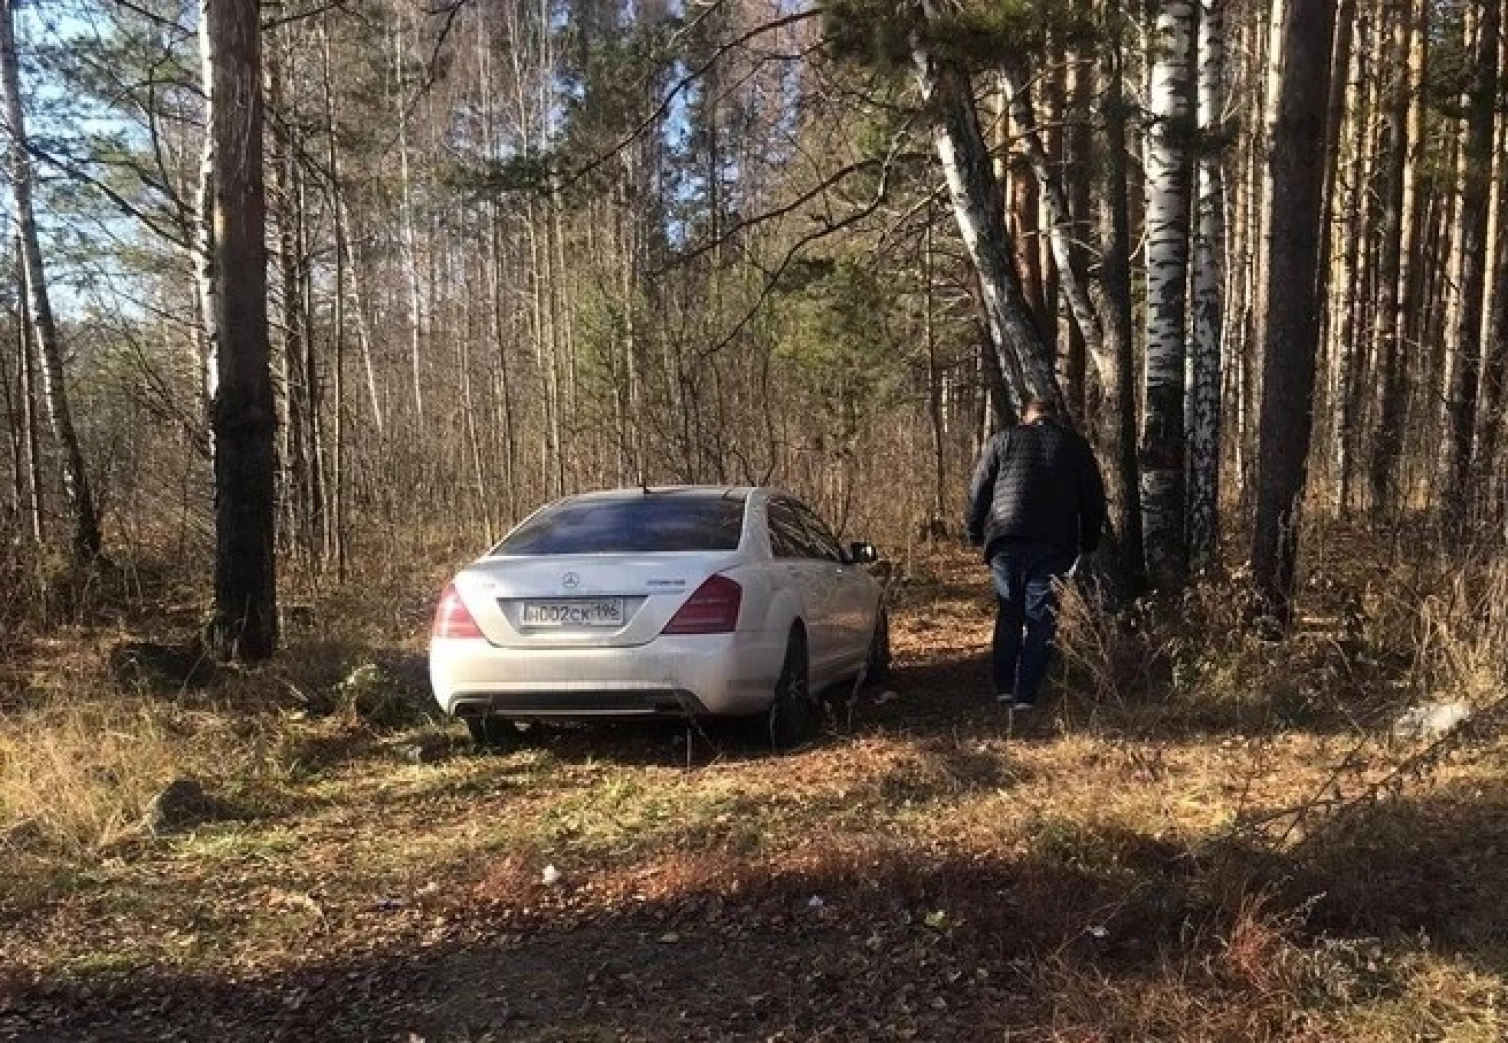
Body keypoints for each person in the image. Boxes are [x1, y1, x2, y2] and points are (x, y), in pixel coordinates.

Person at [965, 398, 1106, 710]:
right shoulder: (1074, 445)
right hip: (1054, 542)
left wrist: (974, 531)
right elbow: (1093, 497)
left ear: (1026, 417)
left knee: (1009, 611)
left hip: (1006, 536)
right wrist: (1089, 541)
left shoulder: (1002, 440)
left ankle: (1004, 687)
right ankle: (1026, 694)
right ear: (1054, 417)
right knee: (1042, 618)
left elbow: (979, 489)